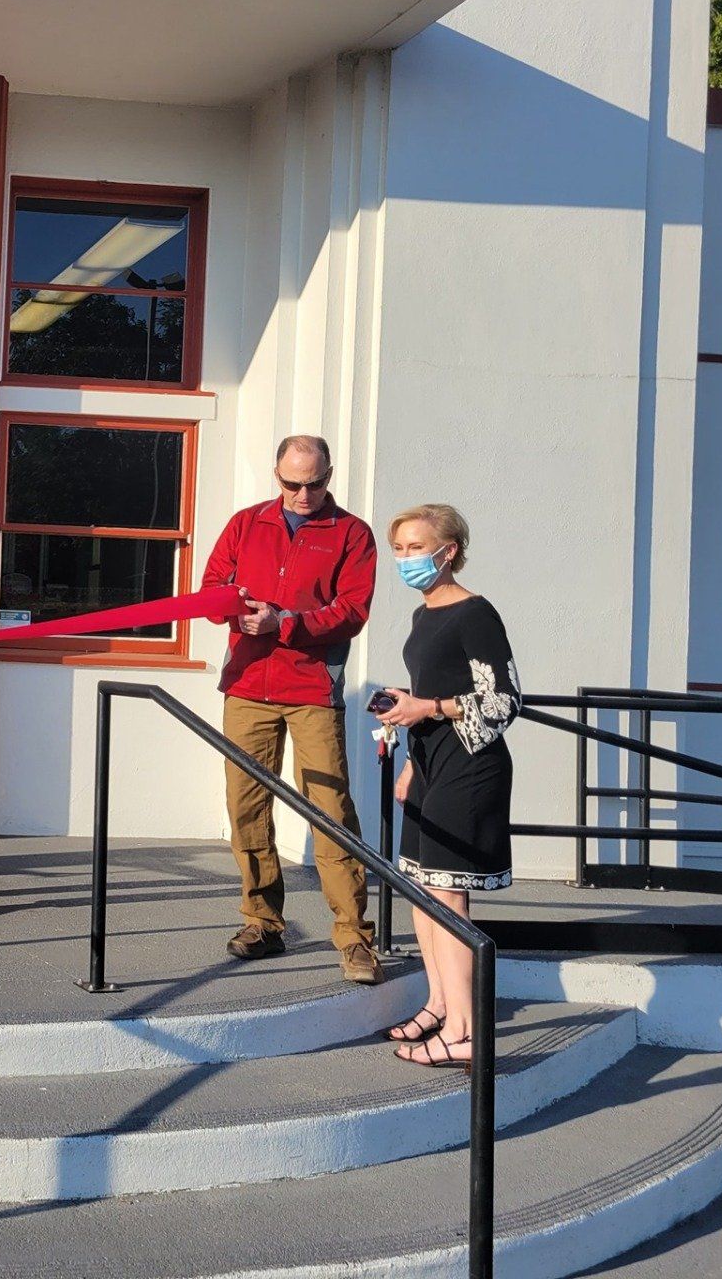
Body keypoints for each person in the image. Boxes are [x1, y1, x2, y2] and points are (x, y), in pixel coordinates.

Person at [200, 436, 383, 984]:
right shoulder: (245, 523)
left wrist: (287, 622)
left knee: (329, 811)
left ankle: (353, 937)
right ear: (275, 474)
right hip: (248, 683)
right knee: (246, 807)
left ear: (330, 474)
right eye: (291, 484)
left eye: (315, 483)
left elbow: (352, 610)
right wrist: (239, 612)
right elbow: (212, 589)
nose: (303, 495)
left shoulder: (352, 533)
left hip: (311, 689)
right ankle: (262, 921)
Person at [378, 504, 520, 1069]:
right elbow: (428, 695)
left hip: (471, 766)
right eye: (400, 549)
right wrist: (413, 755)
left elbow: (505, 702)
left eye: (416, 548)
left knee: (448, 896)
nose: (406, 559)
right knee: (419, 888)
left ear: (449, 550)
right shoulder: (422, 616)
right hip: (432, 765)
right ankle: (439, 1003)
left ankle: (465, 1031)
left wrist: (429, 707)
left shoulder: (475, 613)